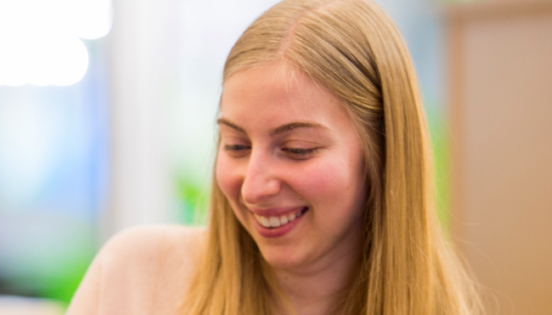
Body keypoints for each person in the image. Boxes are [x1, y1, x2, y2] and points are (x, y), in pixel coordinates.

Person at [67, 0, 481, 314]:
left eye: (297, 150)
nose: (253, 186)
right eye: (236, 145)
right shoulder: (136, 280)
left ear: (383, 151)